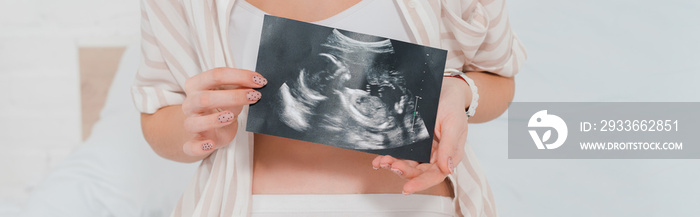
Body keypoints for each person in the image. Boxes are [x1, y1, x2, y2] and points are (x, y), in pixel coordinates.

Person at [133, 0, 526, 216]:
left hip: (414, 206)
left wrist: (459, 92)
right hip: (248, 207)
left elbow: (499, 81)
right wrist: (200, 128)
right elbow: (157, 118)